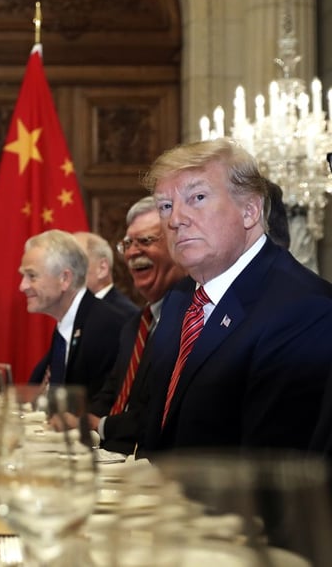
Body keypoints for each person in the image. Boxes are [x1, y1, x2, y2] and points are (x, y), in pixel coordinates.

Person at [139, 138, 332, 454]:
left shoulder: (304, 309)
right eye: (165, 206)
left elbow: (268, 473)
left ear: (249, 210)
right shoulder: (179, 300)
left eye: (197, 197)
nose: (175, 220)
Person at [87, 197, 187, 454]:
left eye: (145, 241)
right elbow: (109, 394)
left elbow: (161, 409)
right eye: (128, 244)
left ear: (179, 245)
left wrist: (103, 426)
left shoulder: (192, 320)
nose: (132, 252)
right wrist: (82, 422)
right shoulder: (136, 324)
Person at [22, 230, 126, 400]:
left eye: (31, 276)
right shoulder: (67, 324)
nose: (23, 286)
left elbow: (99, 406)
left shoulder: (106, 326)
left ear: (65, 278)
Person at [73, 231, 139, 320]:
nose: (66, 271)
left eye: (74, 262)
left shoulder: (125, 315)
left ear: (102, 268)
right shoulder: (75, 310)